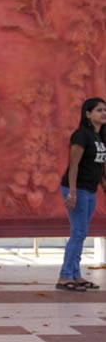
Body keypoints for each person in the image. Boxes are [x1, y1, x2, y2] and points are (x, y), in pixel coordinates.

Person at [56, 97, 106, 292]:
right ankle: (64, 276)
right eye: (99, 110)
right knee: (78, 232)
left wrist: (102, 183)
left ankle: (76, 275)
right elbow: (74, 165)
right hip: (76, 189)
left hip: (90, 190)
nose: (103, 113)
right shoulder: (81, 135)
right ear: (88, 114)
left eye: (105, 110)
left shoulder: (100, 136)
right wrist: (73, 192)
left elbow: (97, 165)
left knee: (81, 233)